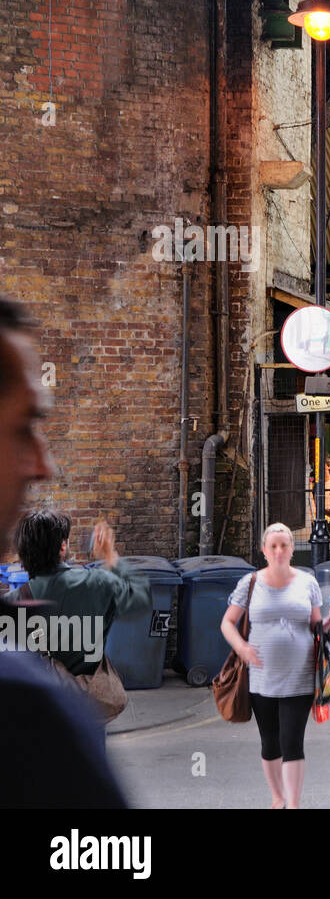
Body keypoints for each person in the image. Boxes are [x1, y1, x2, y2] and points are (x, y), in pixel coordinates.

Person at [0, 296, 129, 808]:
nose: (43, 464)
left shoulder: (23, 596)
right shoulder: (29, 717)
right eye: (22, 425)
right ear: (61, 545)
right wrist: (109, 553)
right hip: (85, 702)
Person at [221, 522, 330, 808]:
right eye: (273, 546)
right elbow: (227, 622)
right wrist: (241, 647)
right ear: (264, 550)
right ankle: (277, 797)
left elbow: (315, 625)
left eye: (284, 545)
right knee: (270, 742)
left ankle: (294, 804)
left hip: (299, 675)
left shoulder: (307, 582)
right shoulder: (250, 583)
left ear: (291, 550)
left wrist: (328, 622)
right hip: (261, 676)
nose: (278, 551)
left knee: (292, 741)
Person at [11, 510, 152, 678]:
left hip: (35, 700)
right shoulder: (99, 584)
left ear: (21, 554)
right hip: (88, 699)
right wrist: (110, 556)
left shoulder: (12, 604)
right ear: (63, 547)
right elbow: (140, 599)